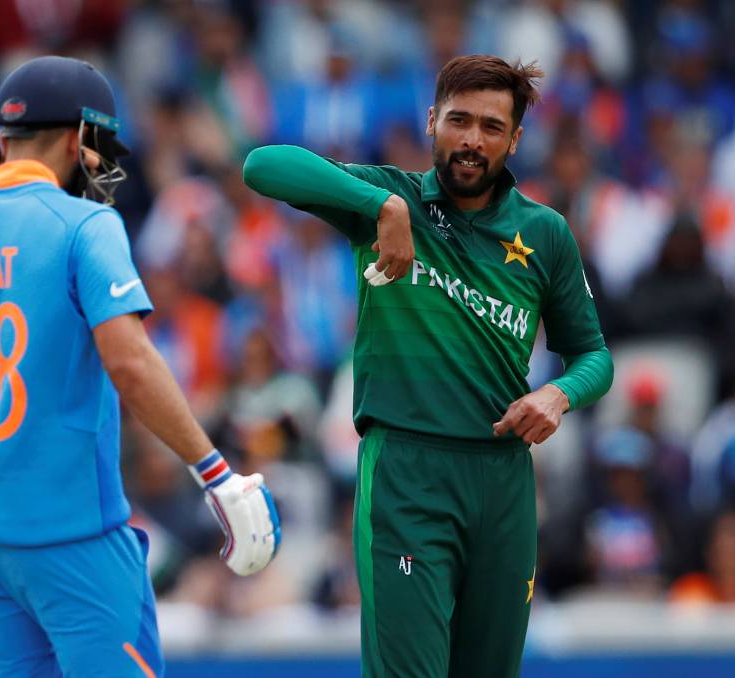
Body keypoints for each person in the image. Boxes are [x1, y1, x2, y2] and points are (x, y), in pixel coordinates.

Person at [0, 56, 279, 678]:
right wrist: (216, 473)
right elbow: (129, 362)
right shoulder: (86, 224)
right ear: (79, 139)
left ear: (1, 140)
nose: (103, 165)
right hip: (72, 534)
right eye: (99, 147)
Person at [243, 54, 614, 678]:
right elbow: (262, 166)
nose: (472, 139)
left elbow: (594, 355)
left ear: (515, 139)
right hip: (406, 476)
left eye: (492, 127)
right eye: (458, 120)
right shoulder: (391, 197)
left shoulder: (544, 233)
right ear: (431, 121)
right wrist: (382, 207)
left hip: (503, 484)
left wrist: (558, 395)